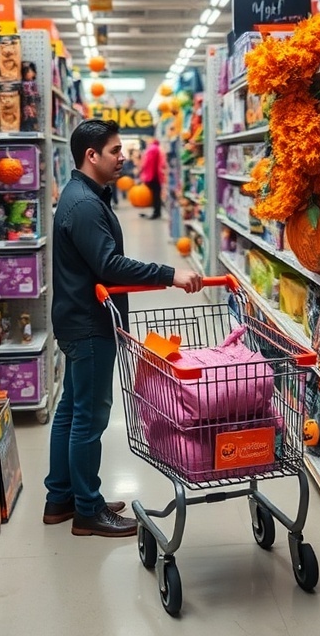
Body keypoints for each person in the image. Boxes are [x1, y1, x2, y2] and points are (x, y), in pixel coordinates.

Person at [43, 119, 203, 537]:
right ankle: (88, 510)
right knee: (89, 419)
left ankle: (61, 498)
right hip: (89, 323)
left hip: (77, 317)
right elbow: (110, 265)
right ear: (91, 155)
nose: (123, 157)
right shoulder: (83, 205)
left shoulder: (85, 196)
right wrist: (170, 274)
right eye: (115, 150)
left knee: (71, 411)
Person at [139, 136, 166, 220]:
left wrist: (145, 175)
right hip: (157, 175)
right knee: (156, 195)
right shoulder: (157, 148)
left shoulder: (151, 149)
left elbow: (148, 163)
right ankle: (157, 211)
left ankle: (156, 212)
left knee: (155, 195)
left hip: (153, 176)